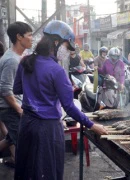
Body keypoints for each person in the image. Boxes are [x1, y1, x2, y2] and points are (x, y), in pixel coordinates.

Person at [13, 20, 108, 179]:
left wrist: (36, 91)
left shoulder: (26, 61)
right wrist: (92, 125)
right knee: (47, 172)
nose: (67, 52)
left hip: (26, 125)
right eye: (66, 46)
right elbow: (69, 107)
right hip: (47, 129)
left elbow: (17, 89)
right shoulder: (57, 71)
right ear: (56, 42)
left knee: (26, 170)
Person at [0, 22, 33, 168]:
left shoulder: (18, 57)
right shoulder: (12, 60)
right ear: (19, 37)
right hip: (10, 109)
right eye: (30, 35)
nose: (32, 38)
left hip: (13, 106)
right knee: (23, 144)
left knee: (10, 139)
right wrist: (20, 110)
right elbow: (5, 90)